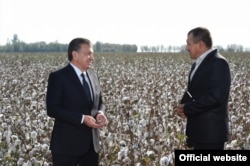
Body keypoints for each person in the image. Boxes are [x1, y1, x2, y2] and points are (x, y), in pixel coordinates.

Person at [46, 37, 108, 165]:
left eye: (92, 54)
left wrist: (100, 113)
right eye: (88, 54)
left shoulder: (93, 75)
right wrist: (81, 118)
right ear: (75, 54)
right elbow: (53, 109)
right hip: (66, 147)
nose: (92, 58)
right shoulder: (58, 77)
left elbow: (100, 101)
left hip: (92, 146)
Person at [176, 27, 231, 150]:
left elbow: (216, 97)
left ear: (200, 44)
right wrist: (183, 106)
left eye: (188, 43)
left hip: (210, 136)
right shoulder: (198, 63)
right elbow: (195, 92)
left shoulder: (218, 63)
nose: (186, 48)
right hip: (199, 134)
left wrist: (188, 108)